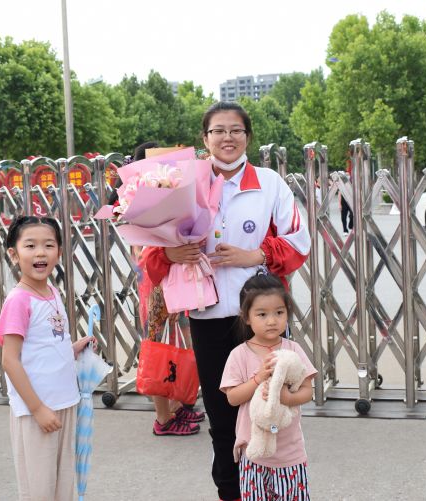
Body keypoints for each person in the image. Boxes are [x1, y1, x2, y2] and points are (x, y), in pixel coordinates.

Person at [143, 101, 310, 501]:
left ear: (247, 136)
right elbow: (151, 255)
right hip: (209, 317)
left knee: (272, 407)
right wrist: (170, 254)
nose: (227, 137)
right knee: (222, 413)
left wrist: (255, 256)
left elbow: (298, 241)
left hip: (261, 318)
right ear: (205, 139)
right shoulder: (180, 184)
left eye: (235, 130)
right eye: (218, 130)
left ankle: (276, 488)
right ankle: (232, 492)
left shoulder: (269, 183)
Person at [0, 216, 95, 501]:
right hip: (37, 409)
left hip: (64, 403)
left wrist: (74, 348)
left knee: (62, 486)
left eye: (48, 245)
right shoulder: (18, 300)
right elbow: (10, 360)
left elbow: (47, 343)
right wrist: (38, 409)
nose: (40, 252)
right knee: (39, 489)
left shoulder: (52, 292)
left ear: (59, 252)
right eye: (30, 245)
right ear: (14, 254)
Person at [131, 141, 206, 436]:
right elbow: (141, 254)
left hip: (175, 281)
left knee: (178, 345)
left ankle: (176, 405)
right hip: (156, 285)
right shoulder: (139, 204)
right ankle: (163, 417)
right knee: (159, 347)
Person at [220, 273, 316, 501]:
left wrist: (286, 397)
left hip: (290, 452)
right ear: (246, 317)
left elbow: (307, 390)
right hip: (253, 453)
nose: (272, 321)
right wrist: (257, 378)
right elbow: (232, 398)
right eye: (262, 314)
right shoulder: (239, 355)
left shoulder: (292, 350)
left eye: (279, 313)